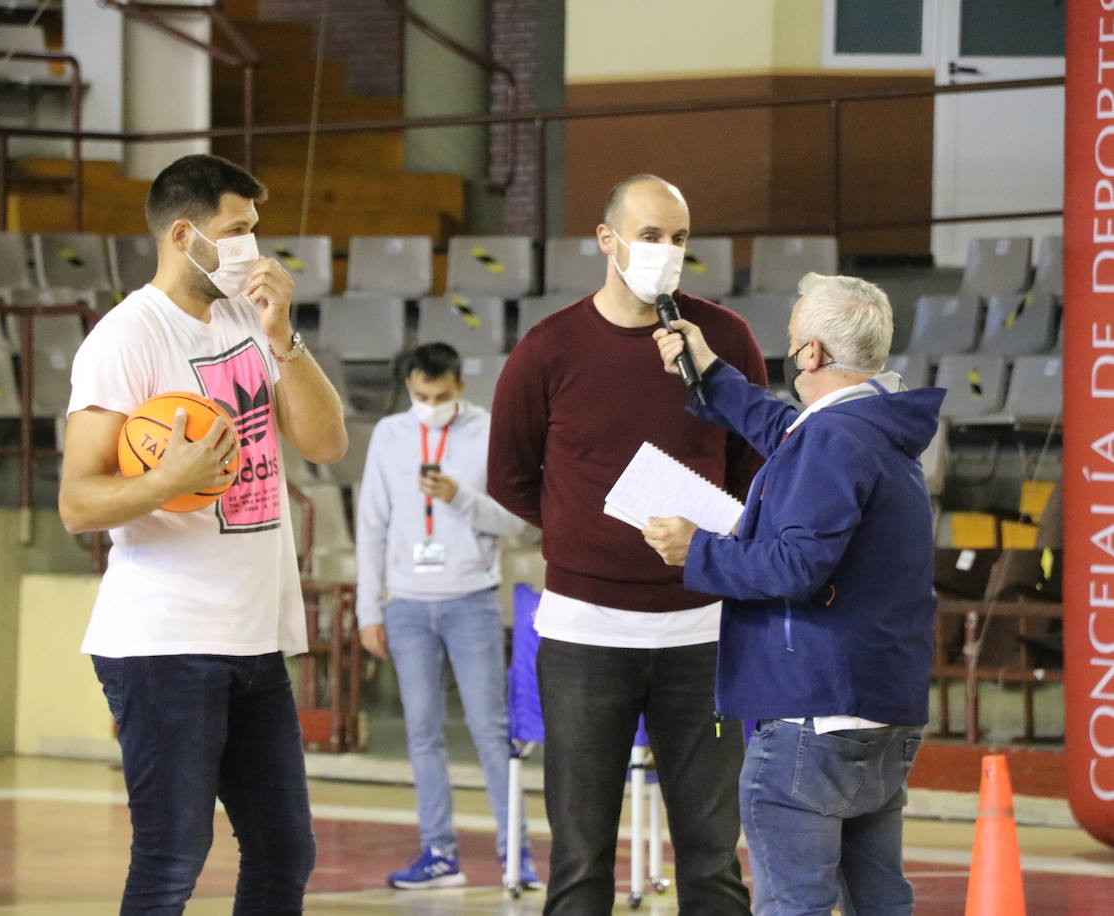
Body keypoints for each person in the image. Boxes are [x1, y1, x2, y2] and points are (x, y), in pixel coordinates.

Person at [58, 153, 348, 914]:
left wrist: (283, 333)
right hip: (164, 642)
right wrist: (166, 482)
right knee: (171, 859)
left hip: (254, 636)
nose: (255, 246)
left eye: (257, 229)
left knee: (286, 852)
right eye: (239, 230)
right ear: (185, 235)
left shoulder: (248, 319)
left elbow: (325, 445)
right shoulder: (126, 337)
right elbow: (77, 502)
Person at [487, 174, 763, 915]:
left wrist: (704, 539)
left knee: (713, 859)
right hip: (584, 631)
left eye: (678, 239)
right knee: (580, 862)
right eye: (650, 236)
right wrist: (584, 532)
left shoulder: (724, 339)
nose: (666, 253)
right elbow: (509, 477)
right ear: (608, 241)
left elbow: (753, 471)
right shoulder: (548, 349)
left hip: (703, 630)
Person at [644, 272, 943, 915]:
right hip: (880, 709)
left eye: (791, 338)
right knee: (879, 900)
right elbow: (788, 430)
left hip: (813, 714)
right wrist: (711, 371)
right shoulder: (873, 429)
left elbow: (796, 565)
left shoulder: (833, 440)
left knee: (793, 904)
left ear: (809, 354)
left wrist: (696, 550)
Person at [356, 342, 539, 890]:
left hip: (471, 599)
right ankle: (438, 852)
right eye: (418, 396)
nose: (429, 405)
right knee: (422, 732)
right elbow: (371, 525)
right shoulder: (389, 435)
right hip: (407, 604)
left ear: (460, 386)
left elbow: (518, 525)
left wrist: (460, 497)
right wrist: (370, 608)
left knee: (490, 730)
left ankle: (517, 856)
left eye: (439, 396)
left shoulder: (489, 432)